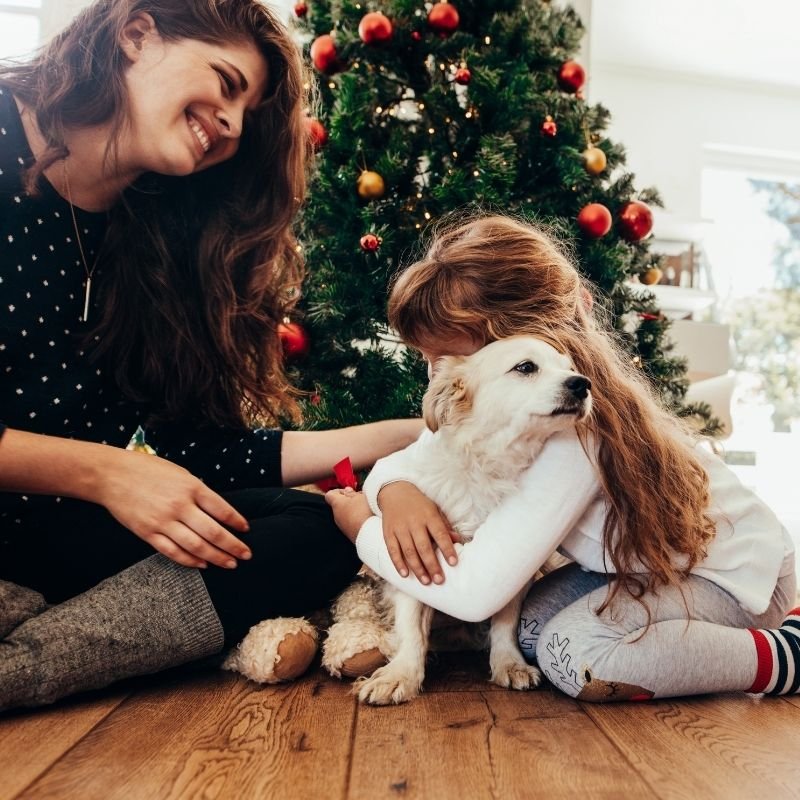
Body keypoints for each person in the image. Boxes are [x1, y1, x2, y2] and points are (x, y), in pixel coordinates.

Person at [0, 0, 423, 712]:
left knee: (316, 528)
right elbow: (125, 472)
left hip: (47, 533)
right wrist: (106, 473)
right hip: (60, 505)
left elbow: (188, 449)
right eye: (226, 83)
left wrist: (394, 436)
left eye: (247, 114)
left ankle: (26, 662)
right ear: (137, 33)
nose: (230, 123)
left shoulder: (157, 232)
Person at [326, 213, 799, 702]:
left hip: (735, 578)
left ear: (509, 340)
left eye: (444, 356)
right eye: (431, 360)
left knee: (572, 654)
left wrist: (363, 526)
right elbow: (412, 453)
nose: (437, 373)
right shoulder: (505, 410)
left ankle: (783, 655)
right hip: (635, 567)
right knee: (526, 634)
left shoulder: (570, 434)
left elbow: (474, 596)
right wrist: (393, 489)